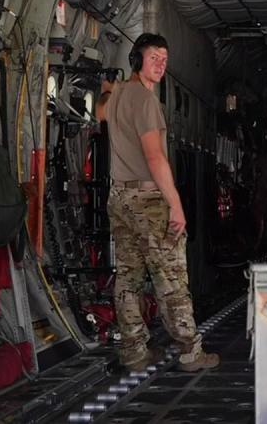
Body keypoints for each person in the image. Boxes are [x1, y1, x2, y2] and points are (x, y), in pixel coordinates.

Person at [96, 33, 220, 373]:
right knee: (171, 277)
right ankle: (190, 351)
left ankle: (134, 352)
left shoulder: (120, 93)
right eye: (154, 58)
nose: (161, 64)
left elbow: (100, 113)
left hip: (118, 196)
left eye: (164, 58)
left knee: (128, 277)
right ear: (138, 60)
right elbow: (155, 157)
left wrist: (108, 89)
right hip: (148, 199)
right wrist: (176, 204)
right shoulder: (147, 102)